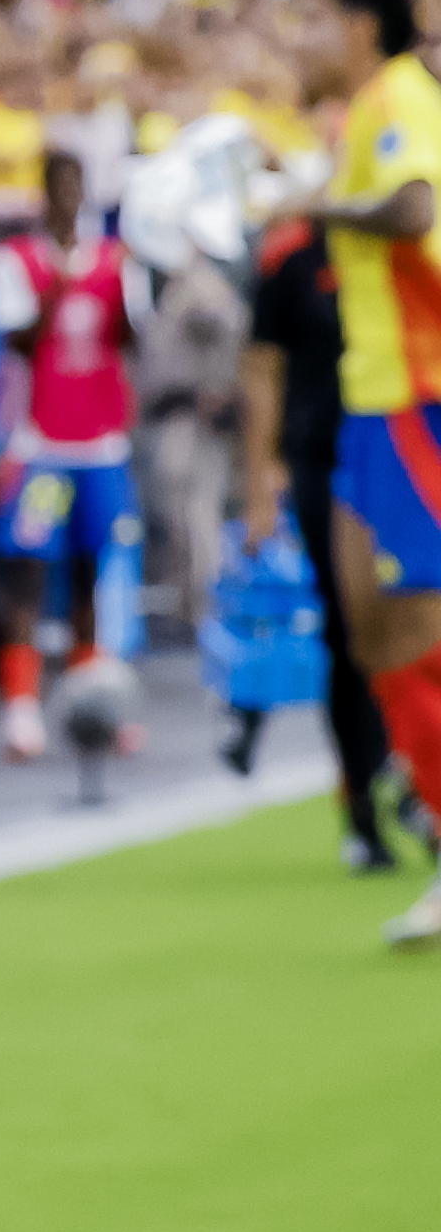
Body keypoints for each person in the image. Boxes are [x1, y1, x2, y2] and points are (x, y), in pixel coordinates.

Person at [290, 0, 441, 952]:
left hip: (412, 394)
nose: (294, 38)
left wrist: (305, 207)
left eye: (307, 18)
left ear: (355, 25)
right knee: (370, 628)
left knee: (411, 625)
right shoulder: (356, 114)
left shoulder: (397, 98)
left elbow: (413, 208)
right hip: (365, 398)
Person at [0, 148, 152, 764]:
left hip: (101, 446)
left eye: (79, 186)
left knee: (92, 573)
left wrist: (122, 280)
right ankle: (21, 710)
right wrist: (61, 287)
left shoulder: (113, 261)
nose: (70, 199)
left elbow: (132, 337)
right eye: (60, 187)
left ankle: (93, 705)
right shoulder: (15, 262)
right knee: (27, 574)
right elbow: (19, 339)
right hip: (40, 447)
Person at [237, 217, 397, 872]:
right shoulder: (296, 256)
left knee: (409, 631)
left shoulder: (408, 244)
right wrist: (259, 482)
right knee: (352, 632)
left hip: (405, 458)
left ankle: (409, 777)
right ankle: (361, 802)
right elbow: (262, 365)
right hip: (325, 461)